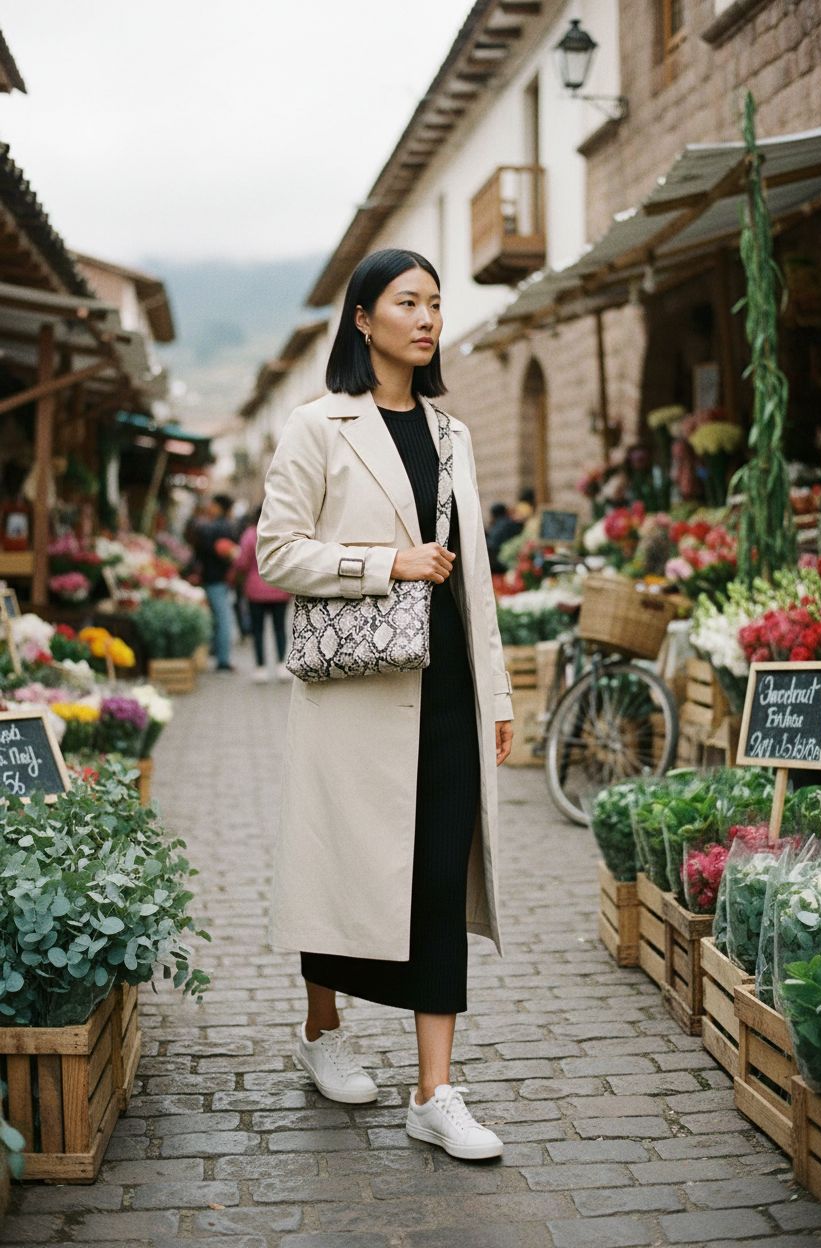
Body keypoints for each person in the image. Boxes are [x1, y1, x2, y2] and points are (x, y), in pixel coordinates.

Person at [256, 247, 514, 1162]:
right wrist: (381, 563)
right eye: (407, 301)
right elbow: (275, 553)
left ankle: (433, 1091)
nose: (426, 317)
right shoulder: (317, 425)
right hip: (356, 693)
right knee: (348, 868)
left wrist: (500, 690)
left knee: (438, 874)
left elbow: (474, 579)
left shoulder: (453, 435)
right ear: (362, 318)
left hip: (445, 684)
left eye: (436, 303)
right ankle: (323, 1028)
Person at [234, 503, 291, 682]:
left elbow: (242, 562)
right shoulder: (281, 532)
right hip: (279, 589)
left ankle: (261, 668)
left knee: (258, 631)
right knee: (280, 628)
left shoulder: (250, 535)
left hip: (255, 591)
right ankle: (282, 665)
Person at [195, 493, 237, 671]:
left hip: (214, 579)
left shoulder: (213, 528)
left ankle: (222, 660)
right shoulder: (228, 527)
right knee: (221, 618)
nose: (209, 508)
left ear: (219, 507)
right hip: (219, 578)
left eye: (212, 505)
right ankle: (221, 657)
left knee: (222, 619)